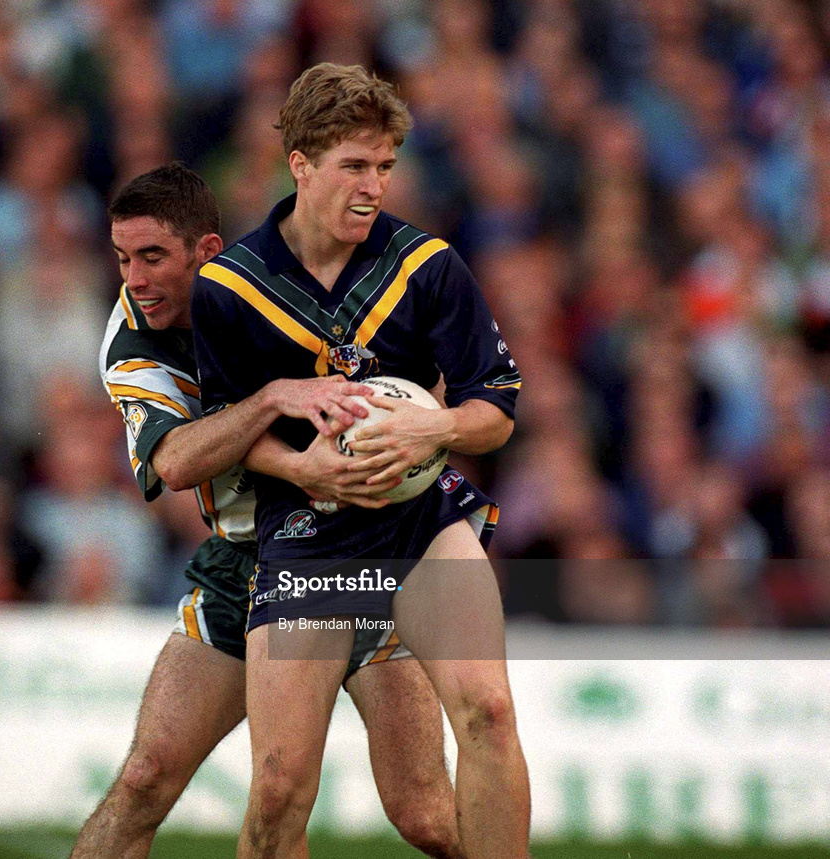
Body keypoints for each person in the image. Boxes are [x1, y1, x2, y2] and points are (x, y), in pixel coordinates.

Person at [70, 163, 464, 858]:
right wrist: (275, 401)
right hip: (245, 562)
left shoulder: (290, 288)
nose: (134, 278)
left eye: (153, 257)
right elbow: (174, 461)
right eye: (123, 258)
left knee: (426, 815)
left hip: (358, 554)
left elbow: (416, 373)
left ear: (208, 252)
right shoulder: (132, 343)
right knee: (148, 778)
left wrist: (411, 421)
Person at [191, 65, 531, 858]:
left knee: (490, 710)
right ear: (301, 163)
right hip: (307, 538)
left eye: (385, 166)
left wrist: (434, 427)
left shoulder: (427, 266)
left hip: (420, 524)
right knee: (278, 794)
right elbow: (225, 435)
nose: (374, 185)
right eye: (354, 165)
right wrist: (302, 469)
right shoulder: (229, 288)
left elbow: (497, 408)